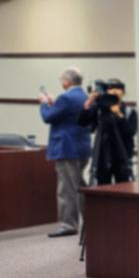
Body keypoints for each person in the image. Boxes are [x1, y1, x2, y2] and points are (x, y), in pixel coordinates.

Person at [38, 67, 91, 238]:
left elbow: (48, 117)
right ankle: (90, 219)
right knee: (80, 185)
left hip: (66, 148)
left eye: (62, 80)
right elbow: (67, 114)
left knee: (66, 188)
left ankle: (69, 224)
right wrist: (54, 104)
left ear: (67, 82)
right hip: (82, 147)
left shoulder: (66, 97)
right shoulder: (84, 96)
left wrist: (44, 103)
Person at [78, 78, 137, 184]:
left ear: (123, 92)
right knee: (102, 188)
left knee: (124, 187)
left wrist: (119, 115)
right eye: (111, 89)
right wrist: (88, 103)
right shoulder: (100, 109)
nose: (114, 91)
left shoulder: (129, 112)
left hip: (123, 155)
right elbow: (82, 122)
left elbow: (130, 132)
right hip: (102, 154)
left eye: (117, 89)